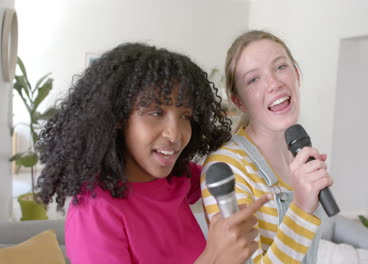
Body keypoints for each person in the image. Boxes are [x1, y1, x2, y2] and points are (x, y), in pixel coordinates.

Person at [36, 43, 271, 264]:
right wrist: (213, 257)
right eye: (155, 113)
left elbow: (232, 172)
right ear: (118, 117)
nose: (175, 134)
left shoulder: (178, 177)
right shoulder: (94, 210)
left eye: (185, 116)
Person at [201, 30, 334, 263]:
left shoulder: (299, 150)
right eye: (253, 79)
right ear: (239, 101)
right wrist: (301, 208)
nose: (274, 83)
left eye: (280, 67)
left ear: (297, 75)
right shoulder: (227, 168)